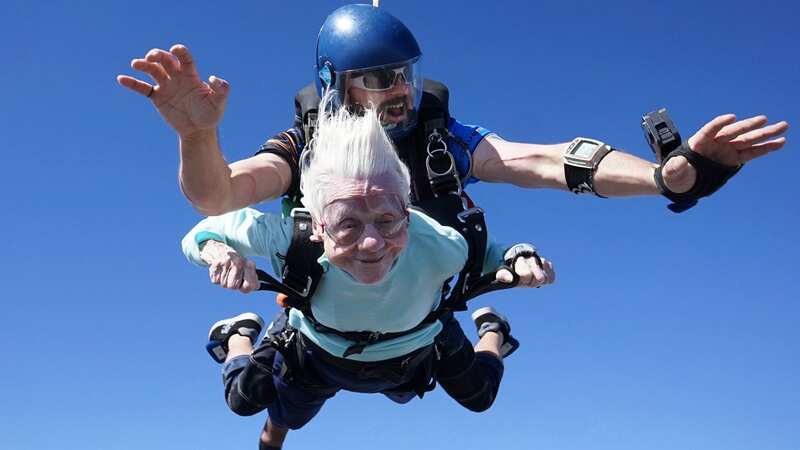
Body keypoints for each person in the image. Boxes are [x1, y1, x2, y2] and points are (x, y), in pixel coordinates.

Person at [117, 4, 788, 219]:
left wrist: (666, 177)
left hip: (418, 312)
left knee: (467, 391)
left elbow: (548, 162)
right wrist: (199, 138)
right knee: (288, 392)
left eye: (404, 74)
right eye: (376, 79)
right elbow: (219, 196)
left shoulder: (444, 138)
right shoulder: (305, 141)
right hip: (327, 307)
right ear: (334, 87)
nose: (399, 91)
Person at [181, 103, 556, 449]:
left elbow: (487, 250)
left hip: (415, 346)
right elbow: (200, 234)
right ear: (317, 227)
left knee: (480, 397)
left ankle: (494, 332)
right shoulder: (288, 236)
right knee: (247, 401)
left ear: (407, 216)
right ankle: (237, 335)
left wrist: (520, 255)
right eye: (347, 224)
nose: (372, 243)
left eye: (388, 220)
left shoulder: (440, 244)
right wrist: (220, 253)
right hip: (317, 350)